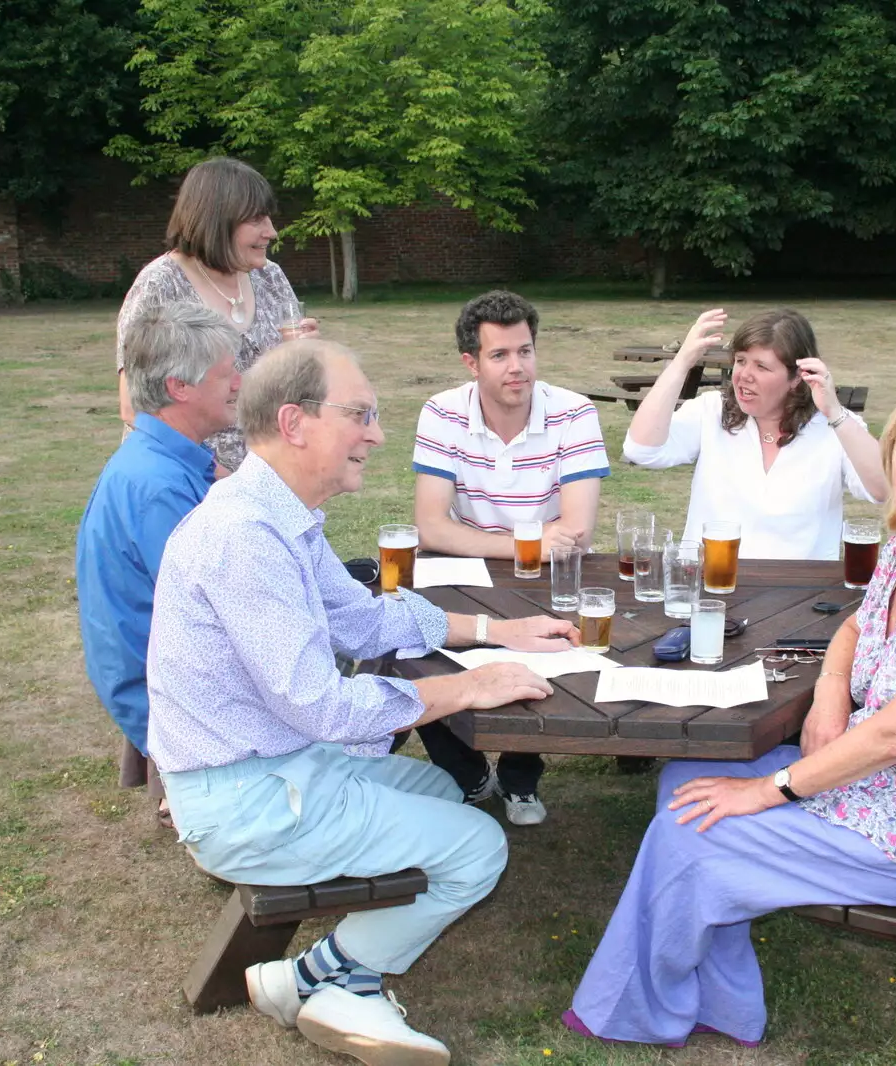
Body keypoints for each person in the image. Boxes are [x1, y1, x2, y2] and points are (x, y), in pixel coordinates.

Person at [565, 376, 896, 1049]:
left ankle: (644, 1005)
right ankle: (722, 996)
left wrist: (768, 790)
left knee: (696, 829)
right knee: (687, 777)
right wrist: (828, 695)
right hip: (882, 779)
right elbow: (854, 626)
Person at [148, 339, 578, 1066]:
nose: (377, 434)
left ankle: (309, 977)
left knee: (444, 787)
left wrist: (500, 632)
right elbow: (329, 709)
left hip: (281, 769)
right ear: (294, 423)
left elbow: (366, 620)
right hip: (248, 800)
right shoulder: (244, 538)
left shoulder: (278, 515)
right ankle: (340, 980)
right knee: (479, 847)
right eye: (360, 415)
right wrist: (469, 686)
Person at [409, 290, 611, 826]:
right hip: (466, 568)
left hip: (544, 574)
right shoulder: (442, 411)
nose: (516, 367)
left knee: (549, 646)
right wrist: (525, 542)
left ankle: (522, 775)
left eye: (525, 351)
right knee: (414, 643)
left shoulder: (573, 412)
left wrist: (523, 545)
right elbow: (430, 525)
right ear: (470, 363)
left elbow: (576, 531)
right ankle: (467, 772)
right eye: (499, 355)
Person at [76, 303, 241, 827]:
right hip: (169, 699)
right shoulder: (159, 488)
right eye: (226, 373)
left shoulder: (167, 457)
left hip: (162, 676)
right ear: (180, 388)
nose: (240, 381)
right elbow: (233, 611)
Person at [623, 308, 887, 559]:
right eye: (740, 361)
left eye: (761, 367)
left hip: (801, 595)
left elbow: (882, 490)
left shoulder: (834, 425)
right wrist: (682, 362)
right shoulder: (712, 411)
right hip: (712, 585)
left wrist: (835, 414)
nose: (745, 375)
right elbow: (640, 449)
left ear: (797, 377)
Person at [115, 156, 319, 473]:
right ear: (215, 220)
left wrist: (304, 354)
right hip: (186, 482)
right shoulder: (160, 286)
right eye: (257, 220)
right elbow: (135, 408)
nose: (272, 232)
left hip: (267, 471)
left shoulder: (269, 277)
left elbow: (288, 380)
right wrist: (217, 476)